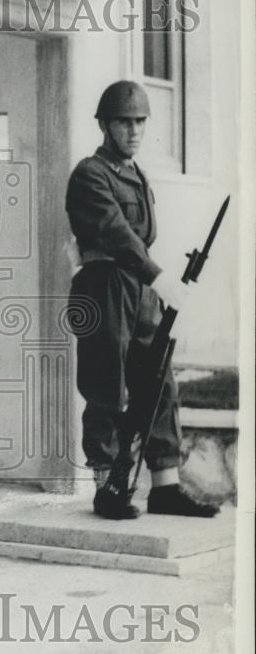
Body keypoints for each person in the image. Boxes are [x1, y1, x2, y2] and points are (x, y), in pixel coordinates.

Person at [66, 80, 219, 521]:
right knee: (106, 385)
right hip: (105, 287)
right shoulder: (90, 173)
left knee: (160, 383)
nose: (133, 130)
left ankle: (166, 487)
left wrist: (154, 283)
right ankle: (106, 487)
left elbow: (140, 239)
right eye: (124, 122)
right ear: (105, 125)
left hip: (138, 290)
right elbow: (117, 232)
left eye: (139, 122)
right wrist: (159, 277)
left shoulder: (135, 173)